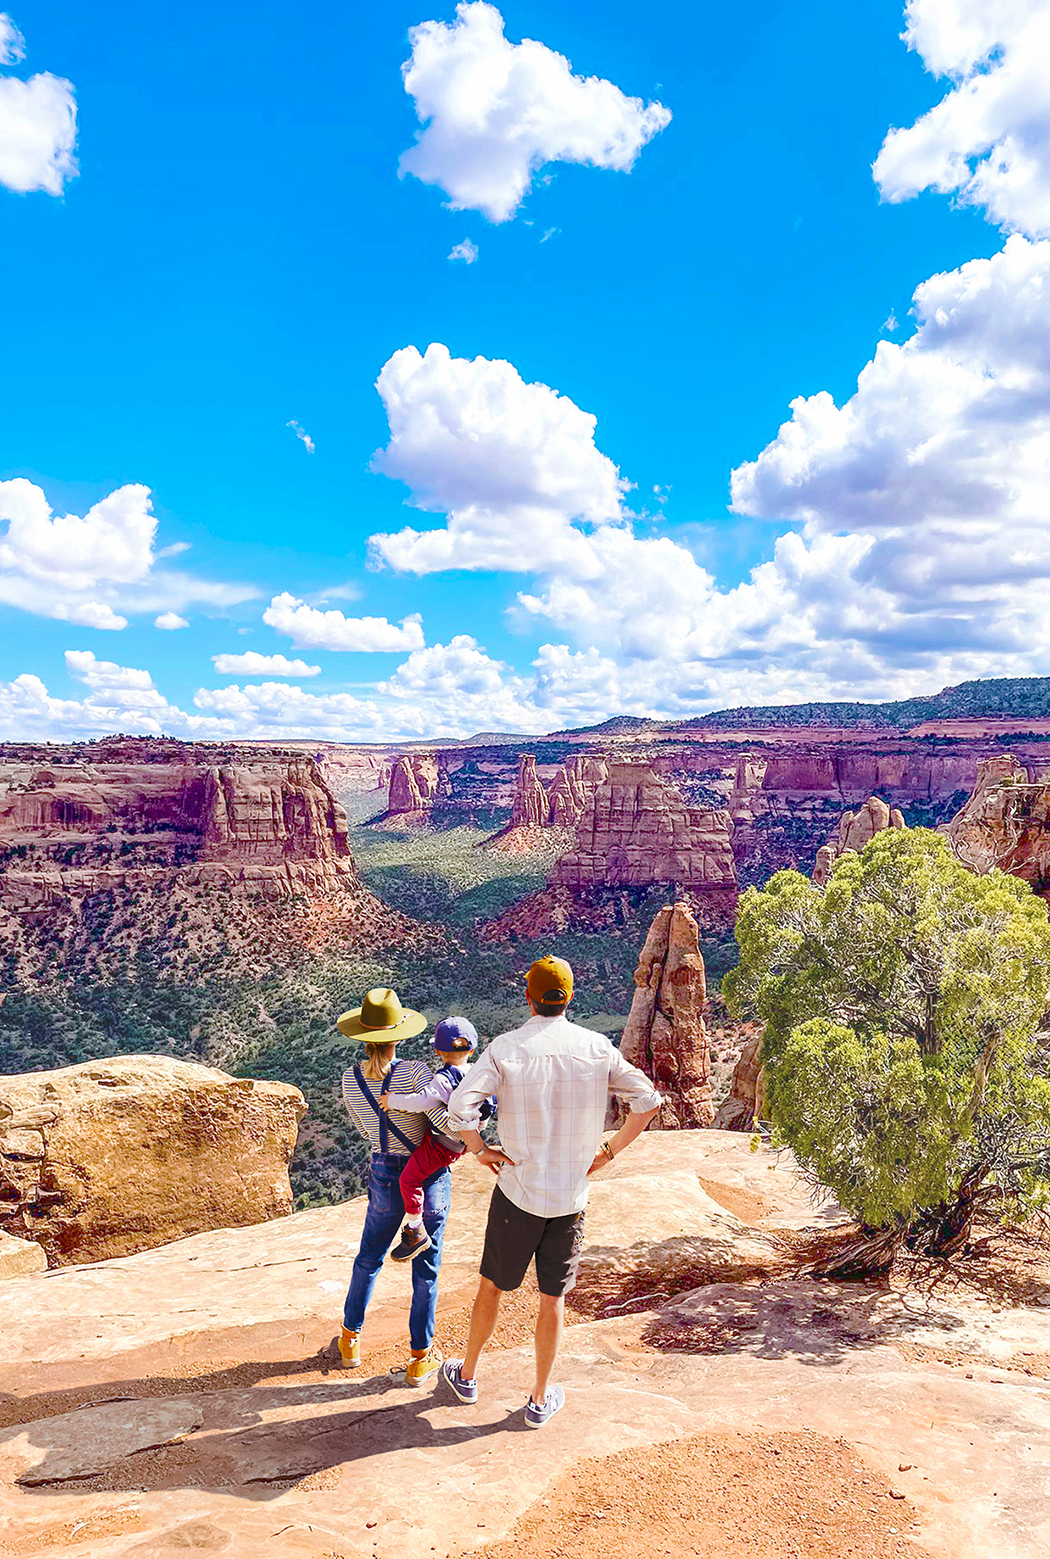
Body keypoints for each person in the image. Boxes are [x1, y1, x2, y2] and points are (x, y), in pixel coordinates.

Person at [441, 954, 662, 1428]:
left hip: (518, 1193)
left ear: (529, 997)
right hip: (570, 1198)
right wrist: (611, 1149)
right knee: (552, 1300)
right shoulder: (596, 1047)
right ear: (570, 997)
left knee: (492, 1287)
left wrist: (479, 1148)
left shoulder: (506, 1048)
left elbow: (462, 1105)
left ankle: (469, 1374)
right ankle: (539, 1399)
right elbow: (647, 1100)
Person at [334, 986, 451, 1386]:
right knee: (426, 1265)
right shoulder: (418, 1073)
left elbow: (366, 1127)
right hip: (425, 1172)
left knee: (369, 1257)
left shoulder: (350, 1080)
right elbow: (440, 1122)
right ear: (398, 1036)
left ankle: (350, 1339)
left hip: (384, 1169)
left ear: (364, 1037)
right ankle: (420, 1357)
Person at [378, 1015, 481, 1264]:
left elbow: (421, 1102)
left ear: (437, 1050)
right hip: (463, 1141)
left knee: (409, 1179)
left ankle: (416, 1229)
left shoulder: (444, 1079)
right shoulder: (479, 1074)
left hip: (442, 1146)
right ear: (473, 1048)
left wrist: (391, 1101)